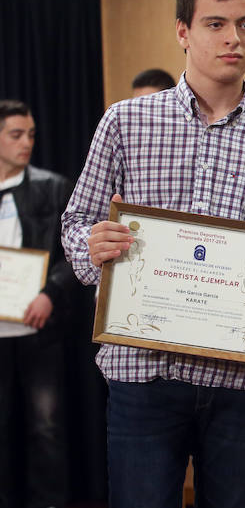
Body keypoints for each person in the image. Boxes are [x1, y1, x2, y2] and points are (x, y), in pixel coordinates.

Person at [61, 0, 245, 508]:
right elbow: (75, 224)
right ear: (183, 31)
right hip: (142, 375)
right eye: (215, 24)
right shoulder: (124, 123)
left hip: (243, 382)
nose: (233, 38)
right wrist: (92, 248)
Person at [0, 100, 77, 508]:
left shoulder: (52, 186)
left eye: (31, 134)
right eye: (16, 134)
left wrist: (51, 293)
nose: (26, 142)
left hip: (38, 330)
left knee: (46, 426)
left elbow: (73, 254)